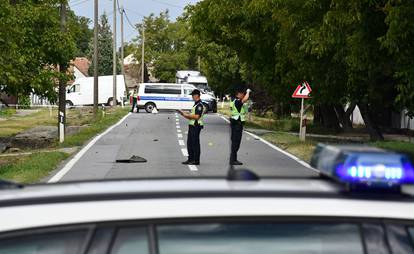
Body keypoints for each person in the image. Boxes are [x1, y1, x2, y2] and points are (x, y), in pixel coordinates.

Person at [178, 89, 205, 165]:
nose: (192, 97)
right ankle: (190, 159)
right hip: (192, 125)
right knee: (190, 143)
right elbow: (191, 117)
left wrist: (187, 115)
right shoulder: (196, 104)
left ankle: (196, 160)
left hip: (196, 126)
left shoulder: (199, 105)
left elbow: (197, 117)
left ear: (197, 95)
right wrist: (183, 114)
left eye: (193, 95)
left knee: (195, 143)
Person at [230, 87, 251, 165]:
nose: (243, 95)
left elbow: (245, 110)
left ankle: (233, 159)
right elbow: (245, 99)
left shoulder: (234, 101)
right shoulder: (238, 101)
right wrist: (248, 92)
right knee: (236, 143)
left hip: (235, 124)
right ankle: (233, 160)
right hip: (237, 125)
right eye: (242, 94)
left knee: (235, 142)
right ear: (238, 94)